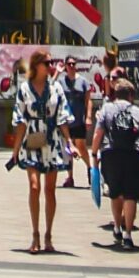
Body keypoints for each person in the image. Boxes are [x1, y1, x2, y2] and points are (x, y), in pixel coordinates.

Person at [8, 49, 73, 253]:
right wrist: (15, 149)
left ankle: (48, 235)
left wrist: (69, 143)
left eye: (51, 62)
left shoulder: (56, 89)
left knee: (50, 190)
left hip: (52, 140)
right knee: (35, 186)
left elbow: (63, 116)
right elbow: (19, 120)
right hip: (32, 140)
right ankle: (35, 233)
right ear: (37, 65)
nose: (51, 65)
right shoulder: (24, 89)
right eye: (47, 62)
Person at [91, 75, 139, 248]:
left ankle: (117, 227)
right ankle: (128, 235)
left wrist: (94, 154)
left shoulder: (107, 109)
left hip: (111, 155)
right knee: (130, 195)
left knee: (115, 192)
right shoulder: (137, 111)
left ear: (115, 94)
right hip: (135, 156)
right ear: (131, 96)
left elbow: (98, 134)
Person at [60, 56, 91, 187]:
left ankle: (90, 169)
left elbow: (88, 101)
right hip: (66, 120)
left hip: (79, 120)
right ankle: (70, 177)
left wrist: (88, 116)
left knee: (81, 147)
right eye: (69, 64)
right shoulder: (62, 82)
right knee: (68, 149)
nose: (72, 66)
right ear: (65, 66)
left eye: (74, 64)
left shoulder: (83, 82)